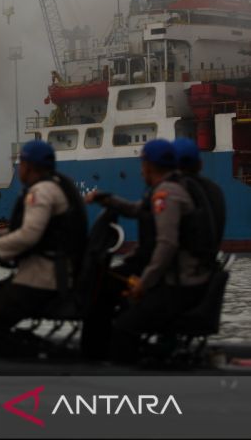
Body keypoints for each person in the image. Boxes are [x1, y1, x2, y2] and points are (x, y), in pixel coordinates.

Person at [86, 139, 217, 362]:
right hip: (182, 281)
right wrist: (106, 199)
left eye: (142, 164)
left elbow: (167, 245)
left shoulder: (166, 194)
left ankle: (108, 364)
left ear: (148, 165)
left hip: (178, 287)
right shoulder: (168, 189)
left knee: (119, 320)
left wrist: (143, 284)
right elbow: (137, 210)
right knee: (110, 288)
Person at [0, 140, 87, 341]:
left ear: (29, 165)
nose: (19, 169)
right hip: (49, 273)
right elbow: (28, 230)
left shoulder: (40, 191)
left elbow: (29, 235)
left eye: (21, 163)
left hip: (43, 278)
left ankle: (5, 355)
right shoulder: (56, 185)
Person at [173, 137, 226, 247]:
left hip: (186, 260)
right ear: (200, 164)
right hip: (210, 257)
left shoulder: (174, 190)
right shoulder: (215, 189)